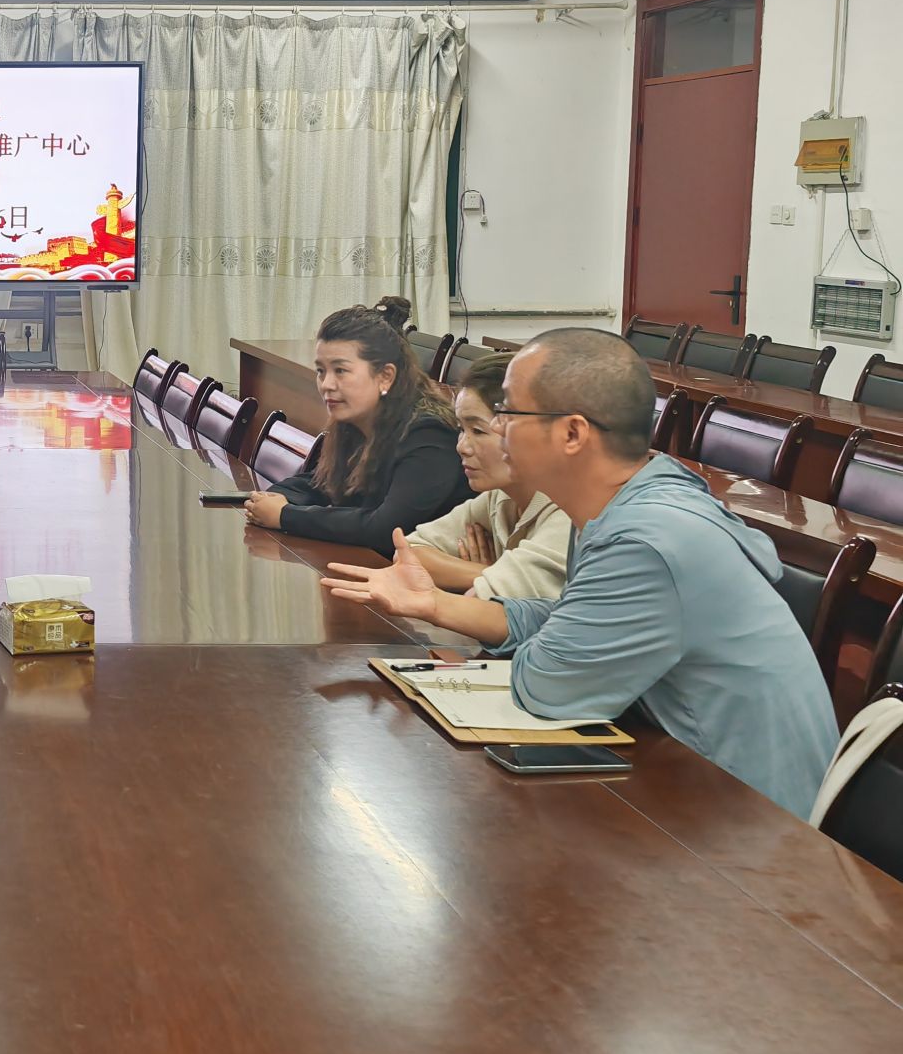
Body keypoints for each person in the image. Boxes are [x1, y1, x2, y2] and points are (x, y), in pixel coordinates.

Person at [322, 328, 839, 816]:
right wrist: (437, 604)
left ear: (572, 433)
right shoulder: (617, 502)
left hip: (748, 820)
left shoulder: (646, 539)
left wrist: (552, 641)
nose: (495, 428)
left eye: (508, 412)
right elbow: (566, 618)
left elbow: (548, 686)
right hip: (685, 781)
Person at [244, 296, 470, 555]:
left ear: (385, 376)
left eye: (340, 371)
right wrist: (273, 498)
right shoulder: (359, 419)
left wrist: (286, 516)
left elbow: (387, 529)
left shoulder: (429, 434)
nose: (326, 384)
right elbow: (322, 483)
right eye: (321, 371)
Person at [404, 351, 570, 600]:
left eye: (478, 431)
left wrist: (486, 580)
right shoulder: (500, 495)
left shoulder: (569, 513)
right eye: (461, 429)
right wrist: (487, 573)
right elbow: (408, 553)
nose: (462, 446)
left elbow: (481, 601)